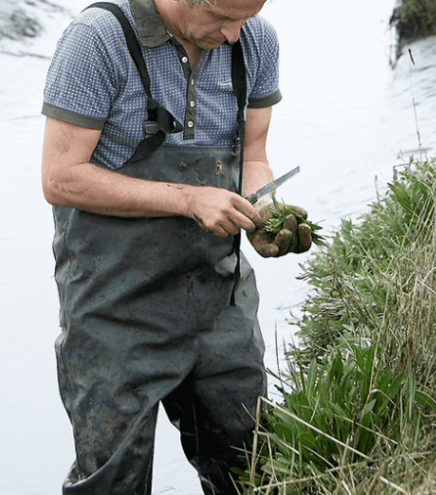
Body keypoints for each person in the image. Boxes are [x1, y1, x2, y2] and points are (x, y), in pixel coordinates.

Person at [40, 0, 312, 493]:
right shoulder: (97, 40)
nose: (234, 35)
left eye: (245, 18)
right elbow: (61, 178)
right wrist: (189, 199)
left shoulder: (255, 39)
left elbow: (254, 154)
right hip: (113, 314)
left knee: (252, 471)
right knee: (112, 483)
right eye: (223, 19)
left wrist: (263, 209)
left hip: (218, 306)